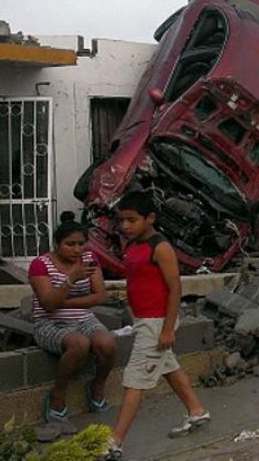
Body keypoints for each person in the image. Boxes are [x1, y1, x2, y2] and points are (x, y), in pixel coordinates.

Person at [106, 192, 209, 460]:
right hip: (144, 319)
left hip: (156, 321)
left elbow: (175, 287)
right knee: (168, 366)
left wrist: (167, 328)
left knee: (135, 379)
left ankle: (114, 441)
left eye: (132, 220)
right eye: (122, 221)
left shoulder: (160, 247)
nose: (126, 226)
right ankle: (196, 410)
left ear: (150, 218)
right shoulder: (132, 245)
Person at [28, 212, 116, 422]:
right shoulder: (40, 264)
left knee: (108, 344)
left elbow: (99, 296)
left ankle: (97, 386)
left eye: (81, 243)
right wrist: (71, 279)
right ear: (57, 244)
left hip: (84, 318)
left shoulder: (89, 259)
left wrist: (64, 302)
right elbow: (48, 305)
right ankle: (58, 394)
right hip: (49, 323)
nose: (77, 249)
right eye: (70, 244)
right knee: (79, 344)